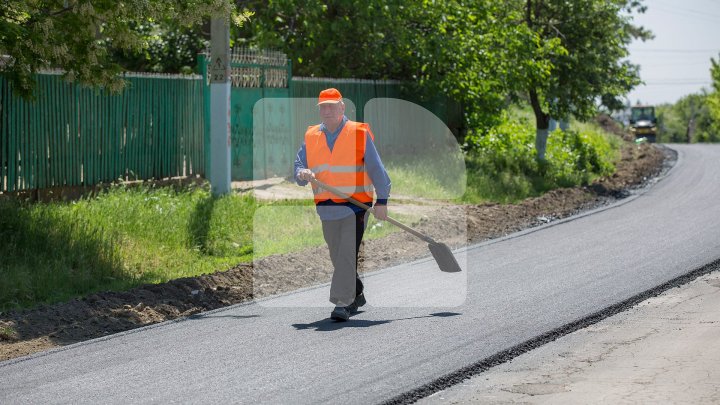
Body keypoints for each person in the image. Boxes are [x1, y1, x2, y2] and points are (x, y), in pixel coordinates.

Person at [294, 88, 391, 321]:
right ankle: (356, 291)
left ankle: (342, 303)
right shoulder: (312, 136)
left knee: (347, 253)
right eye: (323, 107)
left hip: (356, 206)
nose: (327, 111)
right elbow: (298, 166)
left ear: (342, 107)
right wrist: (302, 173)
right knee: (338, 256)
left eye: (331, 106)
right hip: (327, 208)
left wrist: (382, 201)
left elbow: (377, 169)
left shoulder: (358, 133)